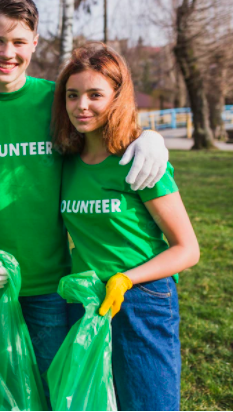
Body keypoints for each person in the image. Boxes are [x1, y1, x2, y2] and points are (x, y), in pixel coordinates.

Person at [0, 0, 170, 391]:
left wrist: (147, 136)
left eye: (20, 42)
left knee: (54, 392)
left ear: (34, 44)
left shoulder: (55, 100)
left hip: (52, 289)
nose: (8, 52)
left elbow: (104, 119)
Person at [52, 42, 199, 410]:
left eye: (94, 95)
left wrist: (127, 278)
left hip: (141, 300)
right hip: (86, 302)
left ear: (118, 97)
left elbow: (187, 249)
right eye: (73, 95)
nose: (81, 105)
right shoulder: (66, 164)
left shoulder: (141, 160)